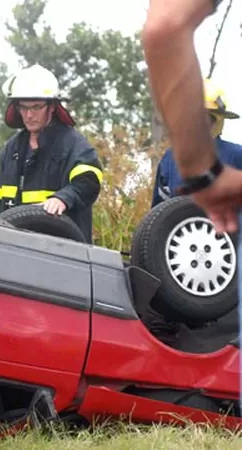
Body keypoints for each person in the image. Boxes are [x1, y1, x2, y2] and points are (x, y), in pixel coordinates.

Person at [141, 0, 242, 407]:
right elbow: (158, 211)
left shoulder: (231, 153)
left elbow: (164, 28)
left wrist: (201, 170)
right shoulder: (168, 160)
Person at [0, 64, 103, 243]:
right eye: (23, 107)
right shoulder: (11, 149)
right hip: (16, 248)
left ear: (52, 107)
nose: (28, 115)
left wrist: (63, 199)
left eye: (36, 107)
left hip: (63, 249)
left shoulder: (73, 144)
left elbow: (89, 181)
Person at [152, 77, 242, 207]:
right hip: (185, 226)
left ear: (215, 121)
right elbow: (159, 216)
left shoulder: (237, 155)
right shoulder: (170, 159)